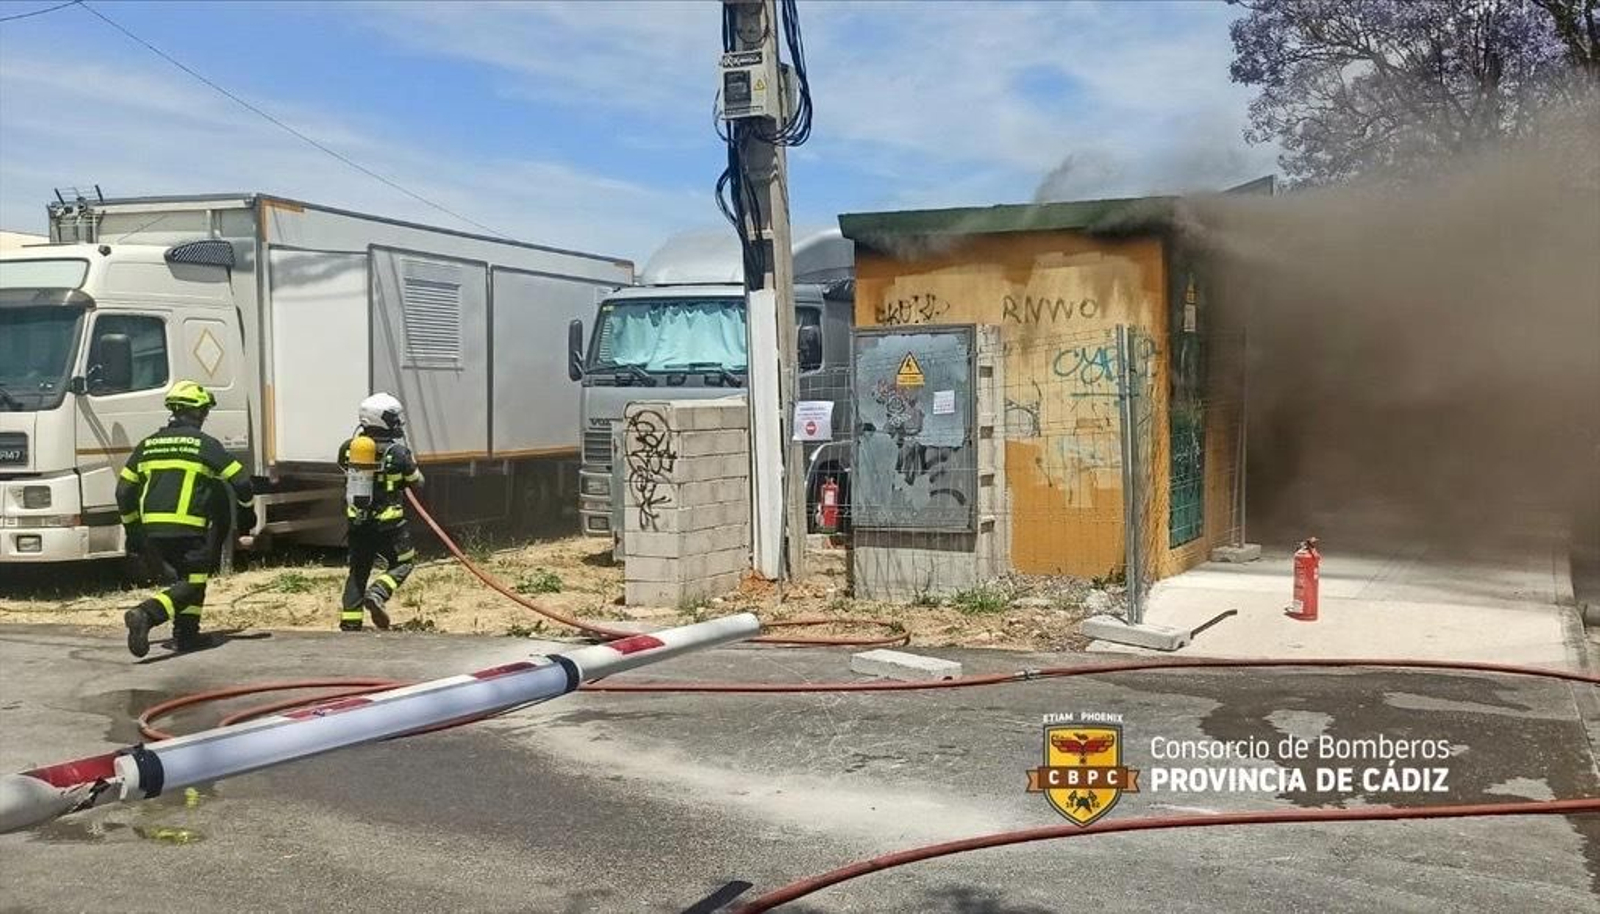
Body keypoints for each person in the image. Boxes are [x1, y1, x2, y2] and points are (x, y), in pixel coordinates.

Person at [119, 380, 256, 657]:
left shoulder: (148, 445)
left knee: (189, 578)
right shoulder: (204, 445)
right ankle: (147, 613)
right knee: (193, 583)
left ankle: (186, 634)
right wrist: (246, 514)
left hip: (151, 530)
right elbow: (241, 481)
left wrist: (133, 529)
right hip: (188, 528)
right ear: (199, 413)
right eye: (204, 412)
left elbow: (123, 491)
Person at [336, 392, 424, 631]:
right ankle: (378, 593)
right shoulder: (397, 453)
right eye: (394, 417)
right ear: (383, 419)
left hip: (357, 522)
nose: (397, 422)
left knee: (359, 569)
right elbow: (417, 482)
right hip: (390, 524)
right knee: (403, 562)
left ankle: (350, 622)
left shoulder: (348, 448)